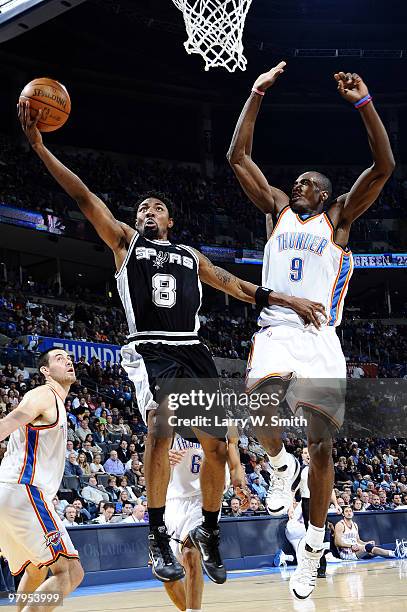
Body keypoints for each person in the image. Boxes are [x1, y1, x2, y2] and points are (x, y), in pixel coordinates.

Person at [18, 100, 325, 586]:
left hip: (193, 348)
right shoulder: (124, 241)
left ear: (171, 221)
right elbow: (82, 196)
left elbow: (239, 287)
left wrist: (290, 300)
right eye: (142, 207)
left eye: (157, 207)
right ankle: (158, 533)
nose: (147, 210)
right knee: (161, 429)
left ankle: (208, 530)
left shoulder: (190, 254)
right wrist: (40, 148)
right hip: (151, 348)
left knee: (219, 449)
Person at [227, 64, 394, 599]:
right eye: (297, 181)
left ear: (324, 196)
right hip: (277, 326)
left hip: (322, 336)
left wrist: (364, 103)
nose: (300, 185)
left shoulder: (340, 219)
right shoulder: (276, 209)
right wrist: (256, 93)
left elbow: (384, 165)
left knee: (322, 449)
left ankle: (315, 543)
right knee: (259, 406)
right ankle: (279, 465)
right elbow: (238, 158)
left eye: (310, 184)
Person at [0, 349, 84, 608]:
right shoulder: (43, 394)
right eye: (59, 358)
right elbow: (10, 421)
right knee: (70, 573)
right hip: (23, 490)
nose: (68, 360)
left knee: (37, 570)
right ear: (45, 371)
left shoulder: (57, 402)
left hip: (15, 494)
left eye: (69, 358)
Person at [164, 433, 244, 612]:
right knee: (169, 575)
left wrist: (240, 485)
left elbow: (234, 456)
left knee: (190, 553)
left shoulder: (223, 419)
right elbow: (154, 450)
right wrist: (164, 455)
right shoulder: (170, 413)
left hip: (205, 497)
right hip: (172, 497)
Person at [334, 506, 398, 560]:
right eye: (346, 511)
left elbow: (358, 540)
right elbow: (337, 543)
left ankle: (396, 552)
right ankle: (394, 553)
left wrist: (366, 543)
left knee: (373, 549)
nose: (349, 513)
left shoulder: (355, 525)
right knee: (368, 548)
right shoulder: (340, 525)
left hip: (357, 549)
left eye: (350, 511)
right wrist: (351, 546)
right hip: (346, 552)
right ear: (343, 514)